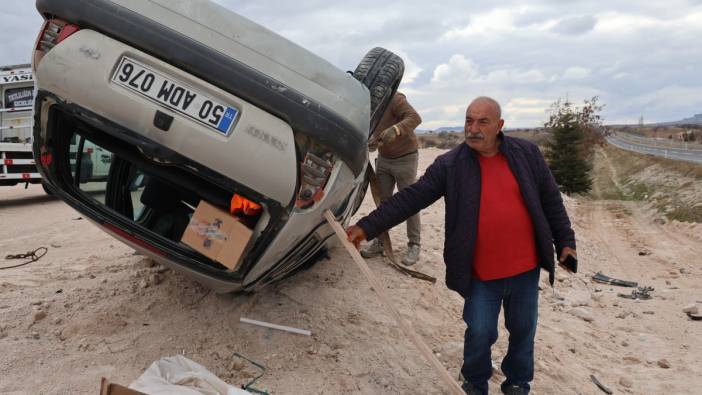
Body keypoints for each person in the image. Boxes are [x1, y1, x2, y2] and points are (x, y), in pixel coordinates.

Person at [346, 97, 576, 395]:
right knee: (480, 332)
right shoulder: (451, 165)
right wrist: (367, 226)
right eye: (469, 120)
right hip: (481, 272)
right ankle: (474, 382)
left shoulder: (526, 154)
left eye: (483, 122)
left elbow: (551, 201)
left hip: (524, 270)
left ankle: (518, 383)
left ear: (499, 126)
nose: (473, 128)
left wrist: (566, 244)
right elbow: (412, 197)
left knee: (523, 331)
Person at [362, 91, 423, 265]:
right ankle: (381, 241)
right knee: (383, 203)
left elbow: (415, 117)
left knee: (410, 202)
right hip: (384, 160)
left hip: (406, 158)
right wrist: (372, 142)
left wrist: (396, 130)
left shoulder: (394, 98)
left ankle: (414, 244)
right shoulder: (366, 104)